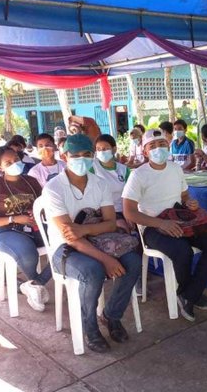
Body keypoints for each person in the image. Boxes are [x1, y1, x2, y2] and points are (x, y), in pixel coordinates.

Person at [44, 134, 142, 353]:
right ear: (64, 156)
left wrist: (84, 229)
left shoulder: (99, 183)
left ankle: (111, 316)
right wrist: (106, 259)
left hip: (102, 240)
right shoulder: (54, 188)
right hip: (65, 250)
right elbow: (71, 237)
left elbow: (110, 225)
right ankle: (90, 327)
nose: (81, 159)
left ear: (93, 156)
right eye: (75, 155)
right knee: (93, 271)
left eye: (86, 155)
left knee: (133, 262)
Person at [122, 129, 207, 322]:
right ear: (145, 151)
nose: (158, 149)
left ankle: (189, 294)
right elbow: (129, 212)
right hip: (152, 226)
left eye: (161, 144)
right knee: (182, 250)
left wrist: (190, 203)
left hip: (181, 220)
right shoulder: (138, 175)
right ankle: (189, 294)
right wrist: (161, 223)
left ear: (168, 147)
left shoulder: (176, 169)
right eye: (152, 146)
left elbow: (184, 196)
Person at [0, 146, 51, 312]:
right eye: (8, 162)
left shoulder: (31, 181)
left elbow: (41, 205)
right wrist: (14, 218)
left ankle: (35, 285)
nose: (15, 164)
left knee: (63, 245)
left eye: (17, 160)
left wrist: (36, 216)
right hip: (6, 232)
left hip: (34, 227)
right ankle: (36, 284)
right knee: (28, 254)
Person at [92, 134, 131, 221]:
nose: (102, 152)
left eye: (105, 149)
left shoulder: (124, 170)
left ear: (114, 149)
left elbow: (129, 195)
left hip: (121, 211)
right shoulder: (92, 167)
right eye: (98, 149)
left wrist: (128, 215)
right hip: (99, 213)